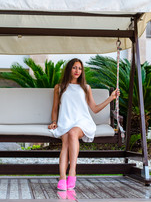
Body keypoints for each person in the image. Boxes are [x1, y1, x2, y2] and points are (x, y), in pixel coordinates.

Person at [48, 58, 120, 191]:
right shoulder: (59, 87)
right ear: (69, 69)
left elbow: (95, 108)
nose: (77, 71)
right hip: (65, 121)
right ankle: (62, 177)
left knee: (73, 133)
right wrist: (54, 122)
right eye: (74, 67)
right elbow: (54, 109)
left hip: (82, 121)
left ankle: (72, 172)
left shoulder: (86, 88)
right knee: (65, 143)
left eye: (80, 68)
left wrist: (111, 98)